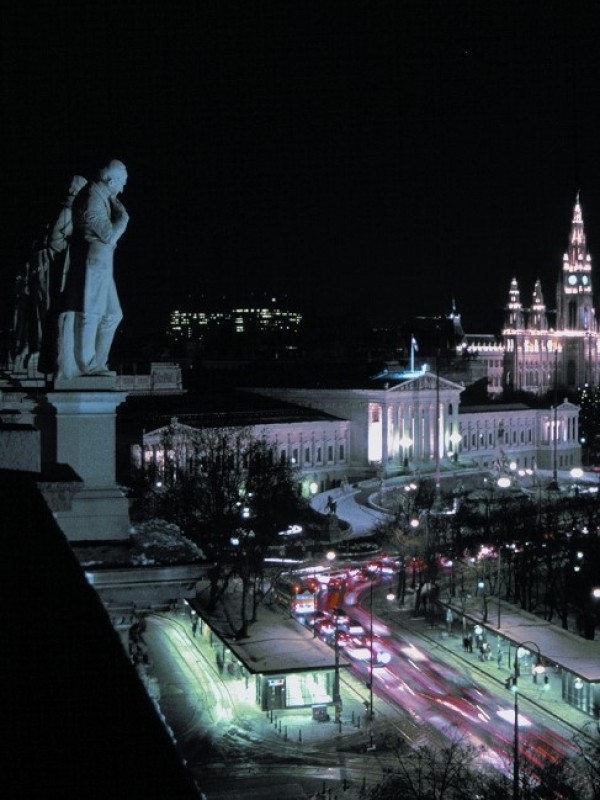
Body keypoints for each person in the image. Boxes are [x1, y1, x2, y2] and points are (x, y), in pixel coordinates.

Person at [61, 159, 129, 376]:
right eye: (122, 182)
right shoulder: (91, 198)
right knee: (91, 312)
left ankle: (98, 363)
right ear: (111, 180)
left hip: (101, 262)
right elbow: (109, 235)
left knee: (113, 314)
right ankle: (87, 365)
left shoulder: (100, 197)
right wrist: (123, 219)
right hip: (93, 262)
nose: (123, 188)